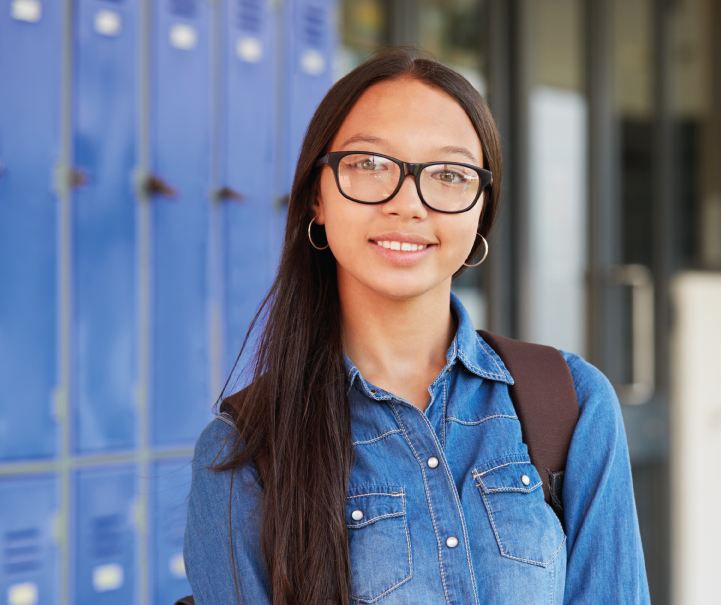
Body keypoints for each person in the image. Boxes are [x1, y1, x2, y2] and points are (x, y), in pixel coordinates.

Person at [183, 47, 650, 605]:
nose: (408, 205)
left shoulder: (569, 405)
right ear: (317, 196)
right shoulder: (242, 454)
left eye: (450, 174)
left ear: (481, 208)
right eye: (370, 165)